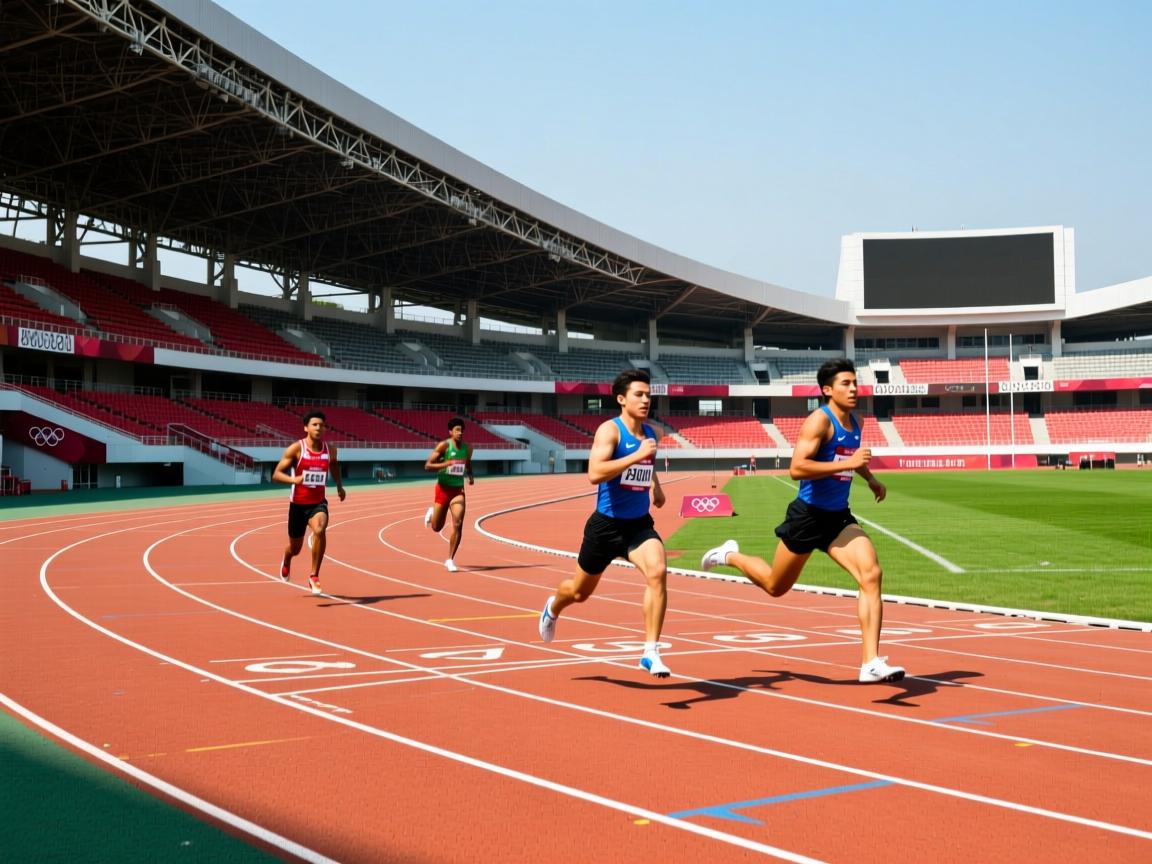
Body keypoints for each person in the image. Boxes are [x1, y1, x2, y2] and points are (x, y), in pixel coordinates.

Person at [700, 358, 905, 684]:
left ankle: (870, 662)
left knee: (871, 573)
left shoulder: (858, 421)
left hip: (838, 518)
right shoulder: (818, 423)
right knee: (775, 586)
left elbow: (848, 457)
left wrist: (870, 478)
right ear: (827, 390)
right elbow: (797, 468)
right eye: (845, 384)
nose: (853, 389)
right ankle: (730, 555)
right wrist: (849, 464)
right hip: (807, 517)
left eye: (855, 383)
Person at [538, 369, 672, 678]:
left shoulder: (651, 434)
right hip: (605, 526)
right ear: (621, 399)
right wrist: (635, 455)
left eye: (649, 395)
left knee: (658, 571)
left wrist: (656, 487)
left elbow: (646, 464)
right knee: (579, 593)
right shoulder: (609, 432)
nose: (646, 400)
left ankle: (650, 652)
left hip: (638, 525)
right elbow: (595, 473)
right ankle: (553, 607)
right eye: (639, 394)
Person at [273, 410, 346, 595]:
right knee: (295, 548)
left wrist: (339, 486)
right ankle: (287, 559)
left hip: (317, 503)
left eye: (322, 425)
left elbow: (335, 466)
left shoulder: (331, 450)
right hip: (297, 505)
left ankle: (314, 576)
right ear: (306, 427)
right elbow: (276, 474)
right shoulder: (296, 449)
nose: (319, 428)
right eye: (315, 424)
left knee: (320, 530)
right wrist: (294, 480)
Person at [423, 416, 474, 572]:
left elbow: (468, 463)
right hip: (443, 490)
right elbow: (428, 466)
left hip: (458, 491)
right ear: (450, 432)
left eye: (461, 430)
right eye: (457, 430)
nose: (460, 433)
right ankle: (432, 513)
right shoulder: (444, 446)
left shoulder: (468, 449)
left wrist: (470, 476)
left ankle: (450, 559)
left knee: (458, 523)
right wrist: (446, 464)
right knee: (436, 527)